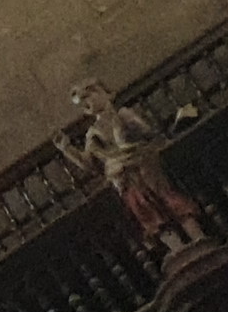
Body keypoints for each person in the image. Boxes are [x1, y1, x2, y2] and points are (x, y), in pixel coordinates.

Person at [60, 81, 211, 252]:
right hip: (123, 176)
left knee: (168, 199)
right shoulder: (92, 133)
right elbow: (88, 164)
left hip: (142, 164)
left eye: (91, 93)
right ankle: (178, 250)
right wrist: (67, 148)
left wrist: (124, 132)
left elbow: (146, 131)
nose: (88, 101)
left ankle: (199, 239)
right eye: (83, 101)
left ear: (107, 94)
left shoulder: (122, 114)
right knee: (145, 211)